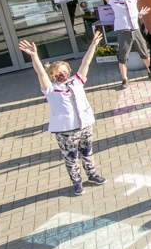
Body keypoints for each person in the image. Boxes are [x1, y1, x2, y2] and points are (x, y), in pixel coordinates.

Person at [19, 31, 107, 196]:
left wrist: (93, 45)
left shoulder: (77, 82)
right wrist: (34, 56)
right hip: (65, 130)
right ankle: (77, 183)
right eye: (58, 72)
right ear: (52, 75)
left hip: (85, 124)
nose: (63, 74)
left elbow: (86, 63)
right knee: (71, 157)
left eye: (65, 70)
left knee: (87, 151)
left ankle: (92, 174)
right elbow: (40, 72)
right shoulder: (51, 89)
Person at [81, 0, 151, 88]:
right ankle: (125, 79)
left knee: (144, 53)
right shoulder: (114, 1)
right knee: (122, 57)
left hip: (135, 30)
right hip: (123, 32)